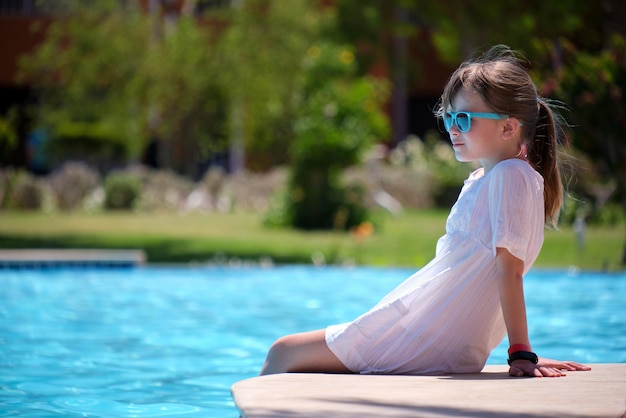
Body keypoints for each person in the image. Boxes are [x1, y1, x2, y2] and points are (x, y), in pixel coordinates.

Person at [260, 45, 592, 378]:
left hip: (429, 338)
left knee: (282, 353)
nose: (452, 128)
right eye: (448, 117)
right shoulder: (491, 177)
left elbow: (510, 271)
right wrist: (523, 349)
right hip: (430, 331)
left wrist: (522, 352)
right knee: (288, 355)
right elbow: (484, 277)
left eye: (463, 118)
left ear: (508, 128)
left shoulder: (509, 176)